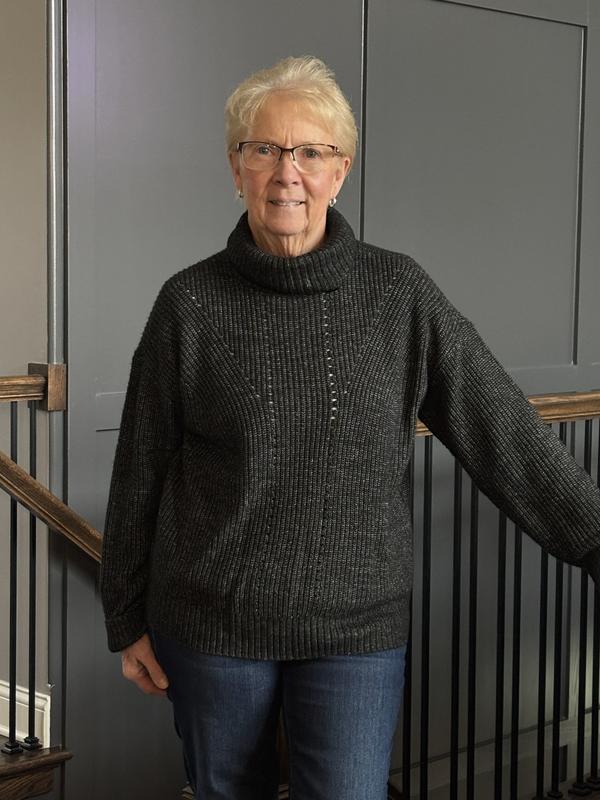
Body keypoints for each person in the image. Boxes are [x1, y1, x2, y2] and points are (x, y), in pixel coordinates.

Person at [99, 55, 600, 800]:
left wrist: (594, 538)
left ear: (341, 171)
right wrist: (124, 616)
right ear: (236, 167)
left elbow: (501, 429)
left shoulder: (398, 293)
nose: (287, 173)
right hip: (213, 630)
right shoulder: (189, 304)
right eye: (264, 149)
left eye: (311, 151)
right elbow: (140, 469)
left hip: (355, 633)